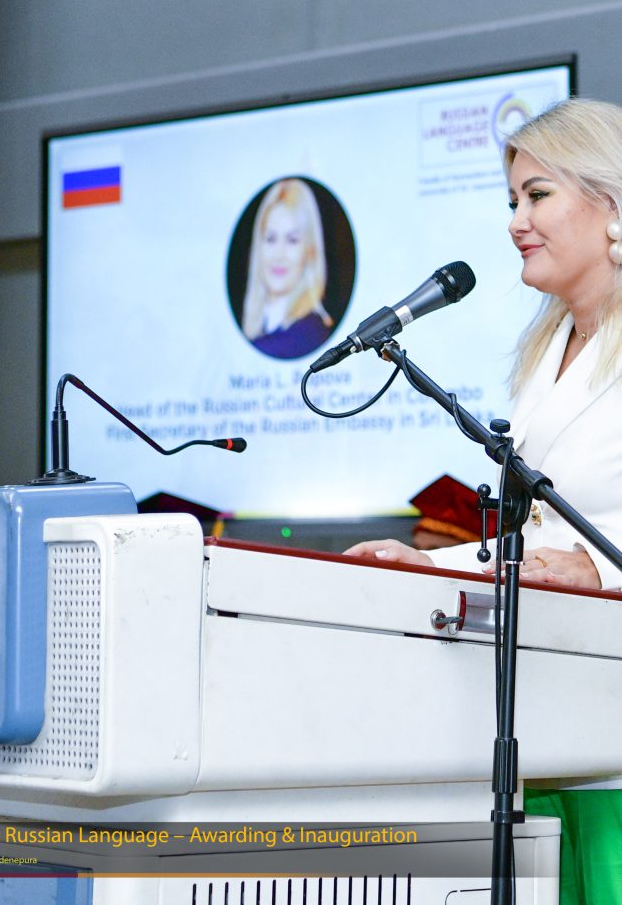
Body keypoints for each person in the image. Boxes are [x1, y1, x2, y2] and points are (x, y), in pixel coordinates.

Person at [345, 97, 622, 904]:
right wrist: (425, 564)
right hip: (549, 715)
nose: (515, 222)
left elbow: (579, 551)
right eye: (512, 201)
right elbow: (538, 542)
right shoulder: (547, 349)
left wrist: (601, 569)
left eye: (537, 195)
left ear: (610, 200)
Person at [242, 178, 333, 359]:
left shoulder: (310, 334)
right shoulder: (260, 326)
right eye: (270, 239)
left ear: (310, 251)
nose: (279, 255)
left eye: (292, 240)